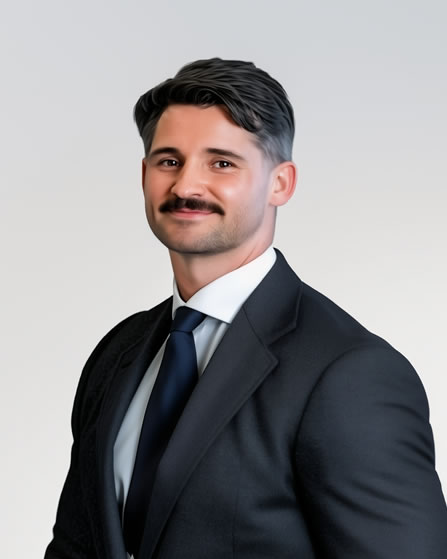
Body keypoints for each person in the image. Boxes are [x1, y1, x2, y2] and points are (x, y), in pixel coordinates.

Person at [45, 58, 447, 559]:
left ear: (281, 183)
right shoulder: (117, 353)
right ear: (144, 174)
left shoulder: (349, 373)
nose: (186, 186)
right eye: (169, 161)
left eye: (221, 163)